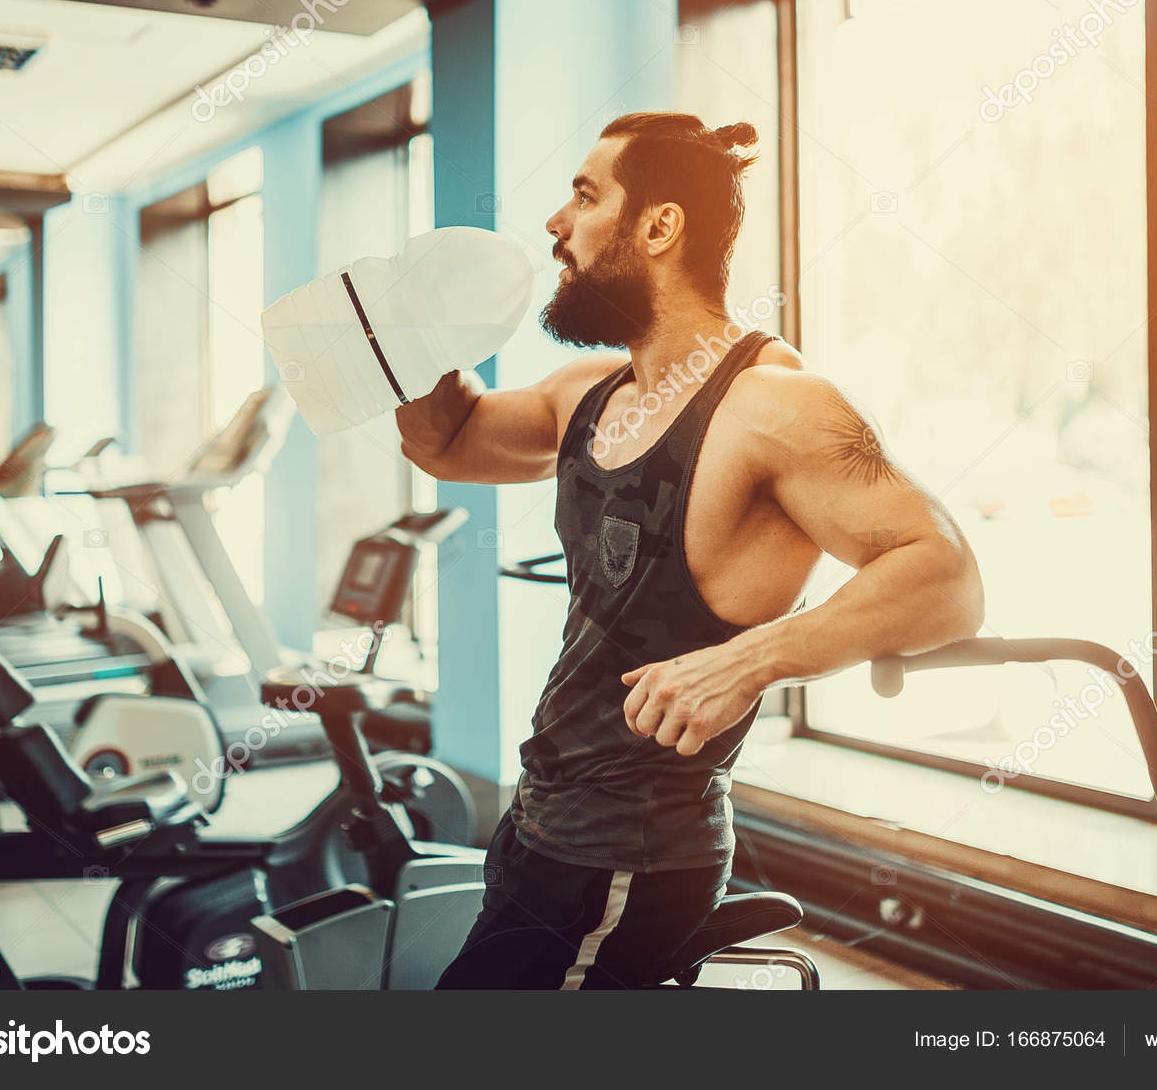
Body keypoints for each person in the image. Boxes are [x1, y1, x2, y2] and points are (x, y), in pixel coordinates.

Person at [397, 112, 985, 990]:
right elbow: (447, 441)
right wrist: (416, 329)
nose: (556, 223)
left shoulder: (773, 404)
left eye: (585, 195)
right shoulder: (591, 391)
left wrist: (748, 662)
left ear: (659, 226)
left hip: (625, 858)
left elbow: (945, 576)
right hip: (543, 824)